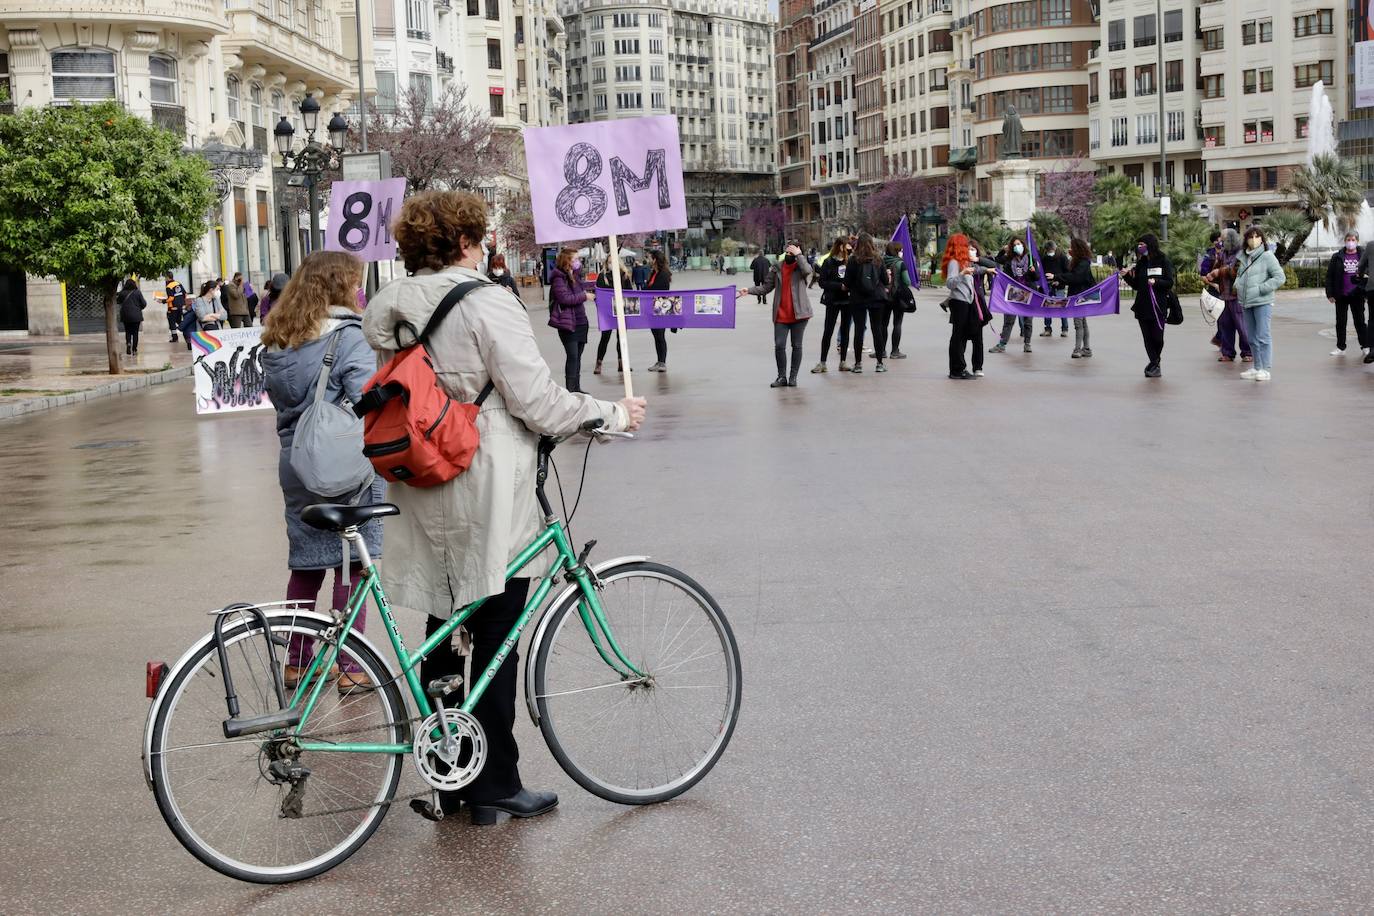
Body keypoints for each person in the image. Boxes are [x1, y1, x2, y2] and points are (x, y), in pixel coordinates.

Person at [362, 190, 645, 824]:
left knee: (441, 628)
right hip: (486, 480)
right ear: (465, 241)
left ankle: (452, 776)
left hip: (422, 475)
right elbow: (538, 404)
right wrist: (610, 412)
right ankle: (495, 784)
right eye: (481, 234)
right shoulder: (488, 303)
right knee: (495, 630)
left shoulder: (389, 308)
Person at [260, 251, 384, 694]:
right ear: (339, 287)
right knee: (353, 567)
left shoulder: (278, 338)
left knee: (307, 566)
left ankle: (297, 661)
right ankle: (350, 664)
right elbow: (366, 395)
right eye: (354, 284)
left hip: (296, 463)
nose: (358, 292)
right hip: (344, 462)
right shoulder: (350, 338)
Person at [739, 241, 813, 387]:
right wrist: (749, 290)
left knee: (796, 345)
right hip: (781, 314)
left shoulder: (801, 267)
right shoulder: (777, 267)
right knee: (779, 345)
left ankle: (793, 377)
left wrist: (799, 255)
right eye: (788, 251)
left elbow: (808, 271)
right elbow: (766, 287)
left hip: (800, 314)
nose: (789, 254)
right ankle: (781, 377)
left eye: (793, 252)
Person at [1234, 226, 1285, 382]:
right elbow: (1240, 275)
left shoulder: (1267, 256)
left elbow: (1279, 277)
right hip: (1247, 302)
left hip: (1262, 302)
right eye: (1251, 237)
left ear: (1262, 239)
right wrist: (1238, 284)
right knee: (1251, 337)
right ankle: (1256, 367)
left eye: (1257, 237)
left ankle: (1265, 369)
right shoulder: (1243, 256)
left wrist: (1260, 289)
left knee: (1263, 336)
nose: (1254, 240)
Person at [1120, 233, 1175, 378]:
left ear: (1150, 244)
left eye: (1142, 244)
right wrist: (1126, 276)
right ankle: (1154, 363)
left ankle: (1155, 362)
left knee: (1158, 337)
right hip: (1143, 306)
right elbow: (1137, 285)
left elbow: (1169, 282)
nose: (1139, 247)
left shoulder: (1163, 260)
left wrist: (1156, 282)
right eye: (1138, 244)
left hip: (1158, 306)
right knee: (1147, 337)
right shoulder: (1142, 262)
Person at [943, 233, 997, 379]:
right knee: (958, 337)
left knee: (961, 336)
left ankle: (959, 368)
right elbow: (950, 283)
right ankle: (957, 369)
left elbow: (977, 269)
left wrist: (987, 270)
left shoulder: (963, 262)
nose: (967, 248)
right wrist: (962, 274)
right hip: (959, 302)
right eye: (965, 245)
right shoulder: (954, 262)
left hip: (966, 302)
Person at [842, 234, 891, 374]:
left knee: (858, 330)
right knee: (877, 330)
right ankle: (880, 363)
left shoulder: (853, 260)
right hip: (876, 298)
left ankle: (858, 364)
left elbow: (847, 282)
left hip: (858, 299)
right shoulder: (878, 259)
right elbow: (885, 280)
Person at [1202, 230, 1252, 362]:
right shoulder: (1223, 253)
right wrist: (1212, 273)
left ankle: (1248, 352)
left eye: (1223, 240)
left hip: (1237, 296)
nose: (1221, 242)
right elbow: (1217, 268)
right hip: (1224, 295)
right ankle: (1228, 353)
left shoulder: (1242, 253)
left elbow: (1238, 271)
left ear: (1231, 240)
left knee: (1242, 326)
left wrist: (1219, 271)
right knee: (1225, 325)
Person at [548, 247, 592, 392]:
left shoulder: (576, 275)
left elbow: (581, 289)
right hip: (568, 324)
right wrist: (584, 296)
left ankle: (577, 388)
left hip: (581, 322)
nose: (578, 262)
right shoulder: (558, 278)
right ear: (567, 261)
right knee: (572, 356)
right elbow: (565, 299)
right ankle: (571, 390)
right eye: (575, 259)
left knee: (578, 357)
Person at [990, 236, 1038, 353]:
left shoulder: (1031, 258)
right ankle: (1002, 344)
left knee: (1027, 320)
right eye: (1015, 244)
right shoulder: (1009, 259)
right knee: (1009, 319)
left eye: (1019, 244)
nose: (1018, 246)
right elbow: (997, 259)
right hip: (1013, 293)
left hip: (1028, 292)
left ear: (1023, 245)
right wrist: (1003, 250)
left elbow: (1037, 277)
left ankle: (1027, 344)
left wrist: (1033, 271)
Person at [811, 237, 852, 373]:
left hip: (847, 301)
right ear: (840, 246)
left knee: (845, 331)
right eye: (847, 245)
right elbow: (822, 282)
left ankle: (843, 361)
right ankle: (823, 362)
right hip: (833, 300)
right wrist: (839, 286)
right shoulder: (828, 262)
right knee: (828, 330)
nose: (849, 248)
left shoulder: (849, 261)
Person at [1325, 232, 1368, 358]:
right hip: (1341, 294)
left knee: (1360, 321)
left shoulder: (1364, 255)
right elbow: (1329, 277)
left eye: (1353, 239)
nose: (1350, 242)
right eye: (1348, 239)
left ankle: (1365, 346)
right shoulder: (1337, 256)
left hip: (1358, 294)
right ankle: (1340, 347)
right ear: (1345, 241)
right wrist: (1330, 293)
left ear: (1357, 241)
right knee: (1341, 322)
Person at [593, 260, 633, 375]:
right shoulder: (602, 276)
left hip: (622, 310)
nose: (611, 264)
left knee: (621, 338)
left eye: (613, 261)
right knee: (605, 337)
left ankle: (622, 363)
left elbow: (630, 292)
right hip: (607, 311)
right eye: (609, 262)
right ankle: (599, 363)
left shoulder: (624, 275)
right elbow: (598, 294)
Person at [1064, 238, 1096, 359]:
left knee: (1078, 323)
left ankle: (1078, 349)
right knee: (1082, 323)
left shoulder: (1083, 262)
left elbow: (1076, 277)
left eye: (1072, 247)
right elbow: (1071, 275)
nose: (1070, 249)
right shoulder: (1078, 261)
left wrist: (1058, 277)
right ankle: (1086, 348)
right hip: (1079, 295)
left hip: (1080, 296)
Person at [880, 241, 912, 360]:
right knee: (897, 323)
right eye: (901, 250)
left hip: (884, 296)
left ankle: (881, 350)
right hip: (897, 297)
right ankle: (895, 351)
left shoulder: (881, 261)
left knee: (883, 324)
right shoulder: (900, 263)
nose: (902, 252)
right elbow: (907, 281)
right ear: (897, 251)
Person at [645, 250, 672, 372]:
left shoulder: (664, 273)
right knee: (656, 336)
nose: (648, 260)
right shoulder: (653, 273)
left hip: (661, 309)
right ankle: (659, 361)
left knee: (660, 335)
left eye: (650, 257)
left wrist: (647, 288)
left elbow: (657, 289)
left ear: (655, 259)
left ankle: (663, 362)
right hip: (652, 308)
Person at [1040, 239, 1070, 338]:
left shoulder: (1062, 257)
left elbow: (1067, 273)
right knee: (1047, 308)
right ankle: (1047, 329)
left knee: (1061, 307)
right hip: (1048, 287)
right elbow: (1041, 272)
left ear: (1054, 248)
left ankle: (1065, 329)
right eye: (1048, 251)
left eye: (1051, 250)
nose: (1049, 253)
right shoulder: (1044, 258)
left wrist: (1059, 279)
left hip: (1059, 286)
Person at [117, 278, 146, 356]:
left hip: (126, 315)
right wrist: (139, 308)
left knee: (128, 331)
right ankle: (134, 349)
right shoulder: (137, 292)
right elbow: (144, 303)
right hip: (136, 316)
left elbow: (118, 301)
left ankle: (129, 343)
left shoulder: (122, 293)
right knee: (135, 333)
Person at [164, 272, 187, 343]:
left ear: (168, 277)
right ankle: (186, 334)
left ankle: (175, 338)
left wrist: (163, 301)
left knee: (172, 323)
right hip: (180, 307)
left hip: (172, 308)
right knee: (179, 321)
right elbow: (185, 294)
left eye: (165, 277)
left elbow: (171, 298)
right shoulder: (178, 283)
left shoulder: (169, 286)